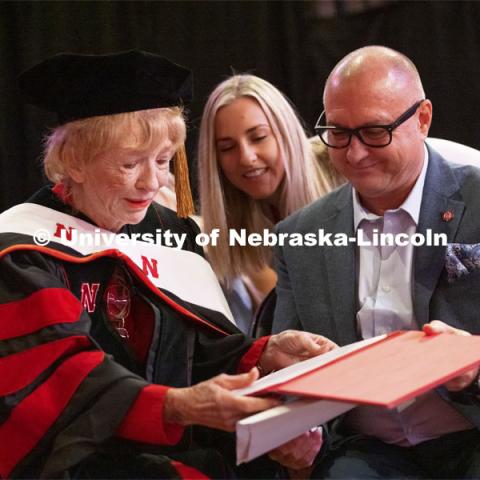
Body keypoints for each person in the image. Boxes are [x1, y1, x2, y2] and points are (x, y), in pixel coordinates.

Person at [0, 50, 334, 479]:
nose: (152, 182)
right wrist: (179, 406)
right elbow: (64, 383)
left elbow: (194, 350)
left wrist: (261, 352)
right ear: (73, 162)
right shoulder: (23, 250)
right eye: (130, 163)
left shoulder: (168, 234)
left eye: (162, 160)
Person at [272, 45, 480, 479]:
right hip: (363, 451)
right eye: (338, 133)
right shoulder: (298, 235)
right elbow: (289, 367)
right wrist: (291, 423)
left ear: (422, 119)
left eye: (374, 132)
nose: (354, 153)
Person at [198, 74, 343, 334]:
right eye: (227, 147)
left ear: (284, 131)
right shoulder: (236, 221)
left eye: (259, 137)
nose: (246, 157)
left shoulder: (340, 166)